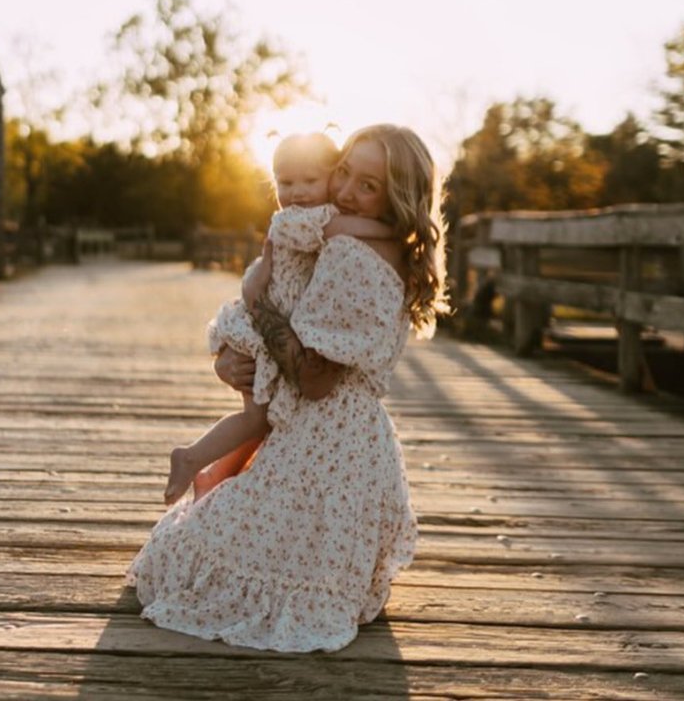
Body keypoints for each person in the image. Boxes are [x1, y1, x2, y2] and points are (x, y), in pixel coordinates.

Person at [127, 124, 448, 653]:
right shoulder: (377, 245)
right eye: (344, 171)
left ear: (395, 197)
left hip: (326, 444)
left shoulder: (350, 254)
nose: (344, 192)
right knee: (202, 541)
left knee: (180, 559)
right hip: (358, 451)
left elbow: (315, 381)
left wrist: (256, 301)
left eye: (368, 186)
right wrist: (235, 355)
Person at [163, 131, 394, 505]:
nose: (298, 191)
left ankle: (211, 472)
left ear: (330, 177)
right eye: (286, 182)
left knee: (262, 420)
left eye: (310, 180)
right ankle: (193, 459)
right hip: (258, 328)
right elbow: (341, 228)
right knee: (258, 419)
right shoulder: (296, 221)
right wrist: (393, 230)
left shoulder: (314, 217)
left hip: (267, 325)